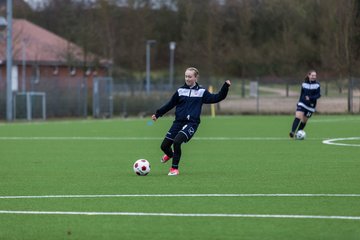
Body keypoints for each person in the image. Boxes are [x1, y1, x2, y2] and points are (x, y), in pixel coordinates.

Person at [151, 67, 231, 176]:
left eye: (190, 76)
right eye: (186, 76)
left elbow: (217, 97)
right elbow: (170, 104)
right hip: (178, 123)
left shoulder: (201, 92)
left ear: (196, 78)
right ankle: (171, 155)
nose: (187, 79)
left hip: (191, 123)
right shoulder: (180, 91)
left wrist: (225, 87)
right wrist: (158, 114)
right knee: (164, 146)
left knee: (177, 141)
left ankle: (174, 169)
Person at [289, 70, 321, 138]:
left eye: (315, 75)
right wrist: (299, 102)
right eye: (312, 75)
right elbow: (301, 94)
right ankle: (292, 132)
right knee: (298, 116)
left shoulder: (317, 85)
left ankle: (298, 133)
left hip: (311, 106)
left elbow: (318, 95)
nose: (314, 77)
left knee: (304, 121)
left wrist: (310, 98)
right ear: (309, 75)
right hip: (302, 103)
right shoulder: (304, 84)